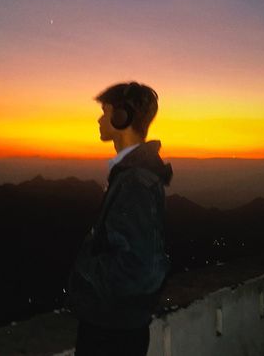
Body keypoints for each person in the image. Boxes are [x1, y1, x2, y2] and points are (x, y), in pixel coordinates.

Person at [66, 81, 173, 356]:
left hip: (111, 333)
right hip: (119, 326)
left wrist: (84, 271)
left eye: (105, 111)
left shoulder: (135, 181)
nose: (99, 119)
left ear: (121, 117)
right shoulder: (133, 174)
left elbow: (141, 269)